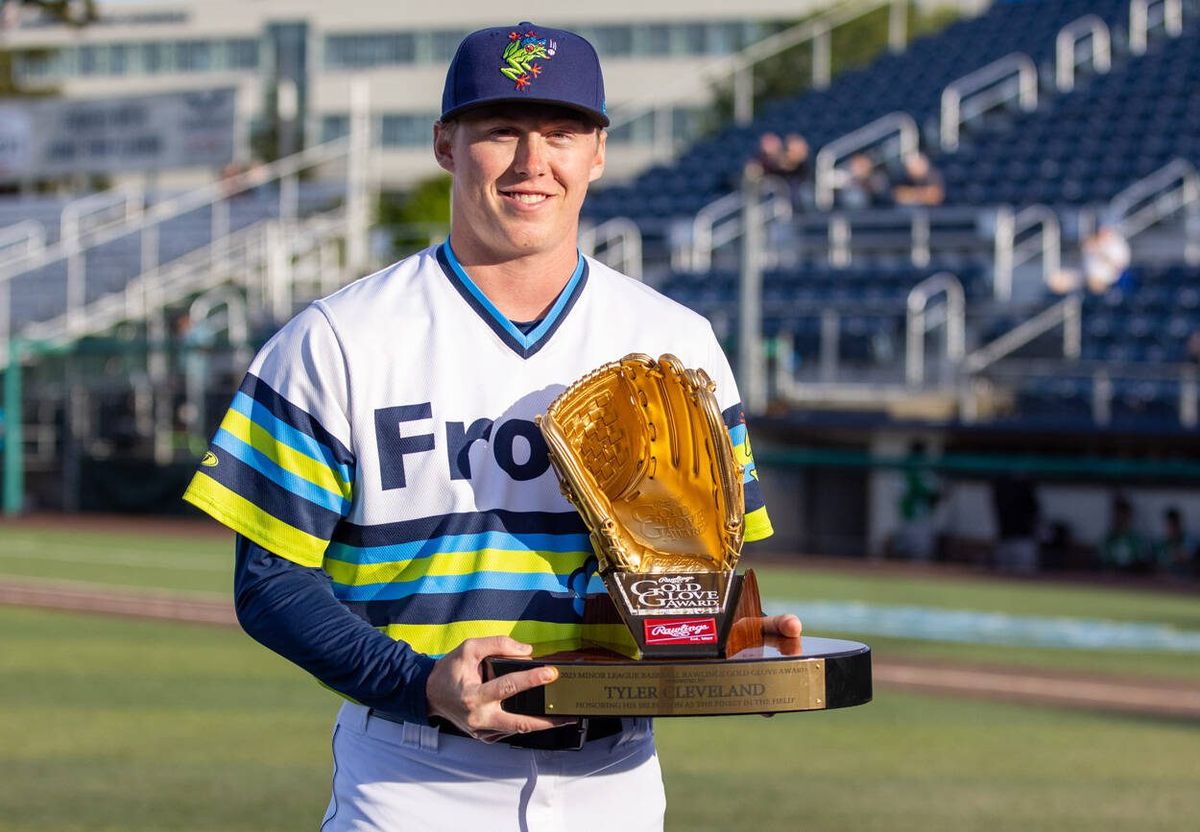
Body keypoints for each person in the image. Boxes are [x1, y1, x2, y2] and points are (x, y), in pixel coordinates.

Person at [181, 21, 798, 832]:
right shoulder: (337, 339)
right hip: (411, 778)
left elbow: (695, 570)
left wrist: (730, 637)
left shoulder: (679, 345)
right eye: (500, 130)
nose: (531, 161)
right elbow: (270, 584)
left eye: (563, 132)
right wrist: (422, 683)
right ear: (445, 144)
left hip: (616, 780)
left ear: (599, 152)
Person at [990, 473, 1040, 574]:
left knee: (1025, 573)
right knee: (1002, 574)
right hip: (1005, 538)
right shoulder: (1000, 490)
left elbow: (1035, 514)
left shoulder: (1027, 492)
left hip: (1024, 539)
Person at [1100, 494, 1149, 573]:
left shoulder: (1136, 539)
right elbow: (1102, 560)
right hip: (1110, 578)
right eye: (1118, 515)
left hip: (1131, 578)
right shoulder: (1109, 539)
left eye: (1123, 515)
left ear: (1128, 516)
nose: (1120, 519)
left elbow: (1141, 562)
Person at [1081, 224, 1133, 295]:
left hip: (1108, 280)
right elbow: (1119, 266)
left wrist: (1099, 252)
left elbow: (1120, 267)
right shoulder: (1096, 241)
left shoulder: (1117, 246)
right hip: (1091, 279)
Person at [1154, 506, 1198, 579]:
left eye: (1174, 524)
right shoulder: (1161, 543)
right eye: (1169, 525)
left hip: (1185, 577)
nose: (1172, 528)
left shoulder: (1189, 540)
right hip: (1164, 578)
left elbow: (1184, 557)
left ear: (1179, 524)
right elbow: (1159, 562)